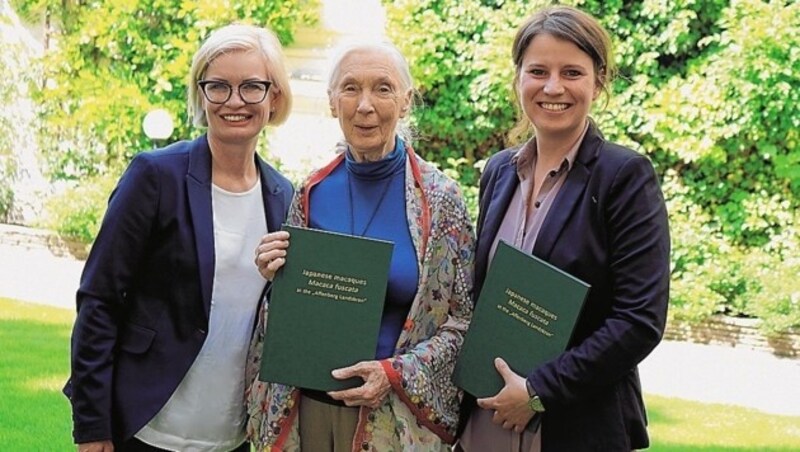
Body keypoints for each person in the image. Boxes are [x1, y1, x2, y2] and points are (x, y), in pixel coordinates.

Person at [63, 24, 294, 452]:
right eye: (218, 86)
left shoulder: (284, 196)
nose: (234, 101)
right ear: (201, 95)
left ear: (274, 96)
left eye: (251, 86)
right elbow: (99, 300)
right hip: (145, 427)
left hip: (233, 435)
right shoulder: (155, 176)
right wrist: (92, 427)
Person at [457, 6, 670, 451]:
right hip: (486, 421)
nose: (553, 87)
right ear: (519, 79)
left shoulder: (624, 176)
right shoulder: (498, 172)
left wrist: (537, 392)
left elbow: (639, 320)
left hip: (575, 427)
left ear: (598, 81)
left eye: (572, 72)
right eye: (538, 70)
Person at [245, 41, 475, 451]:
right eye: (350, 88)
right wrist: (272, 274)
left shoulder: (440, 200)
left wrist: (396, 373)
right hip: (308, 411)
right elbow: (287, 310)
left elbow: (463, 321)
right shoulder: (311, 192)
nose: (365, 105)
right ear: (333, 102)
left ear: (405, 102)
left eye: (383, 88)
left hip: (395, 418)